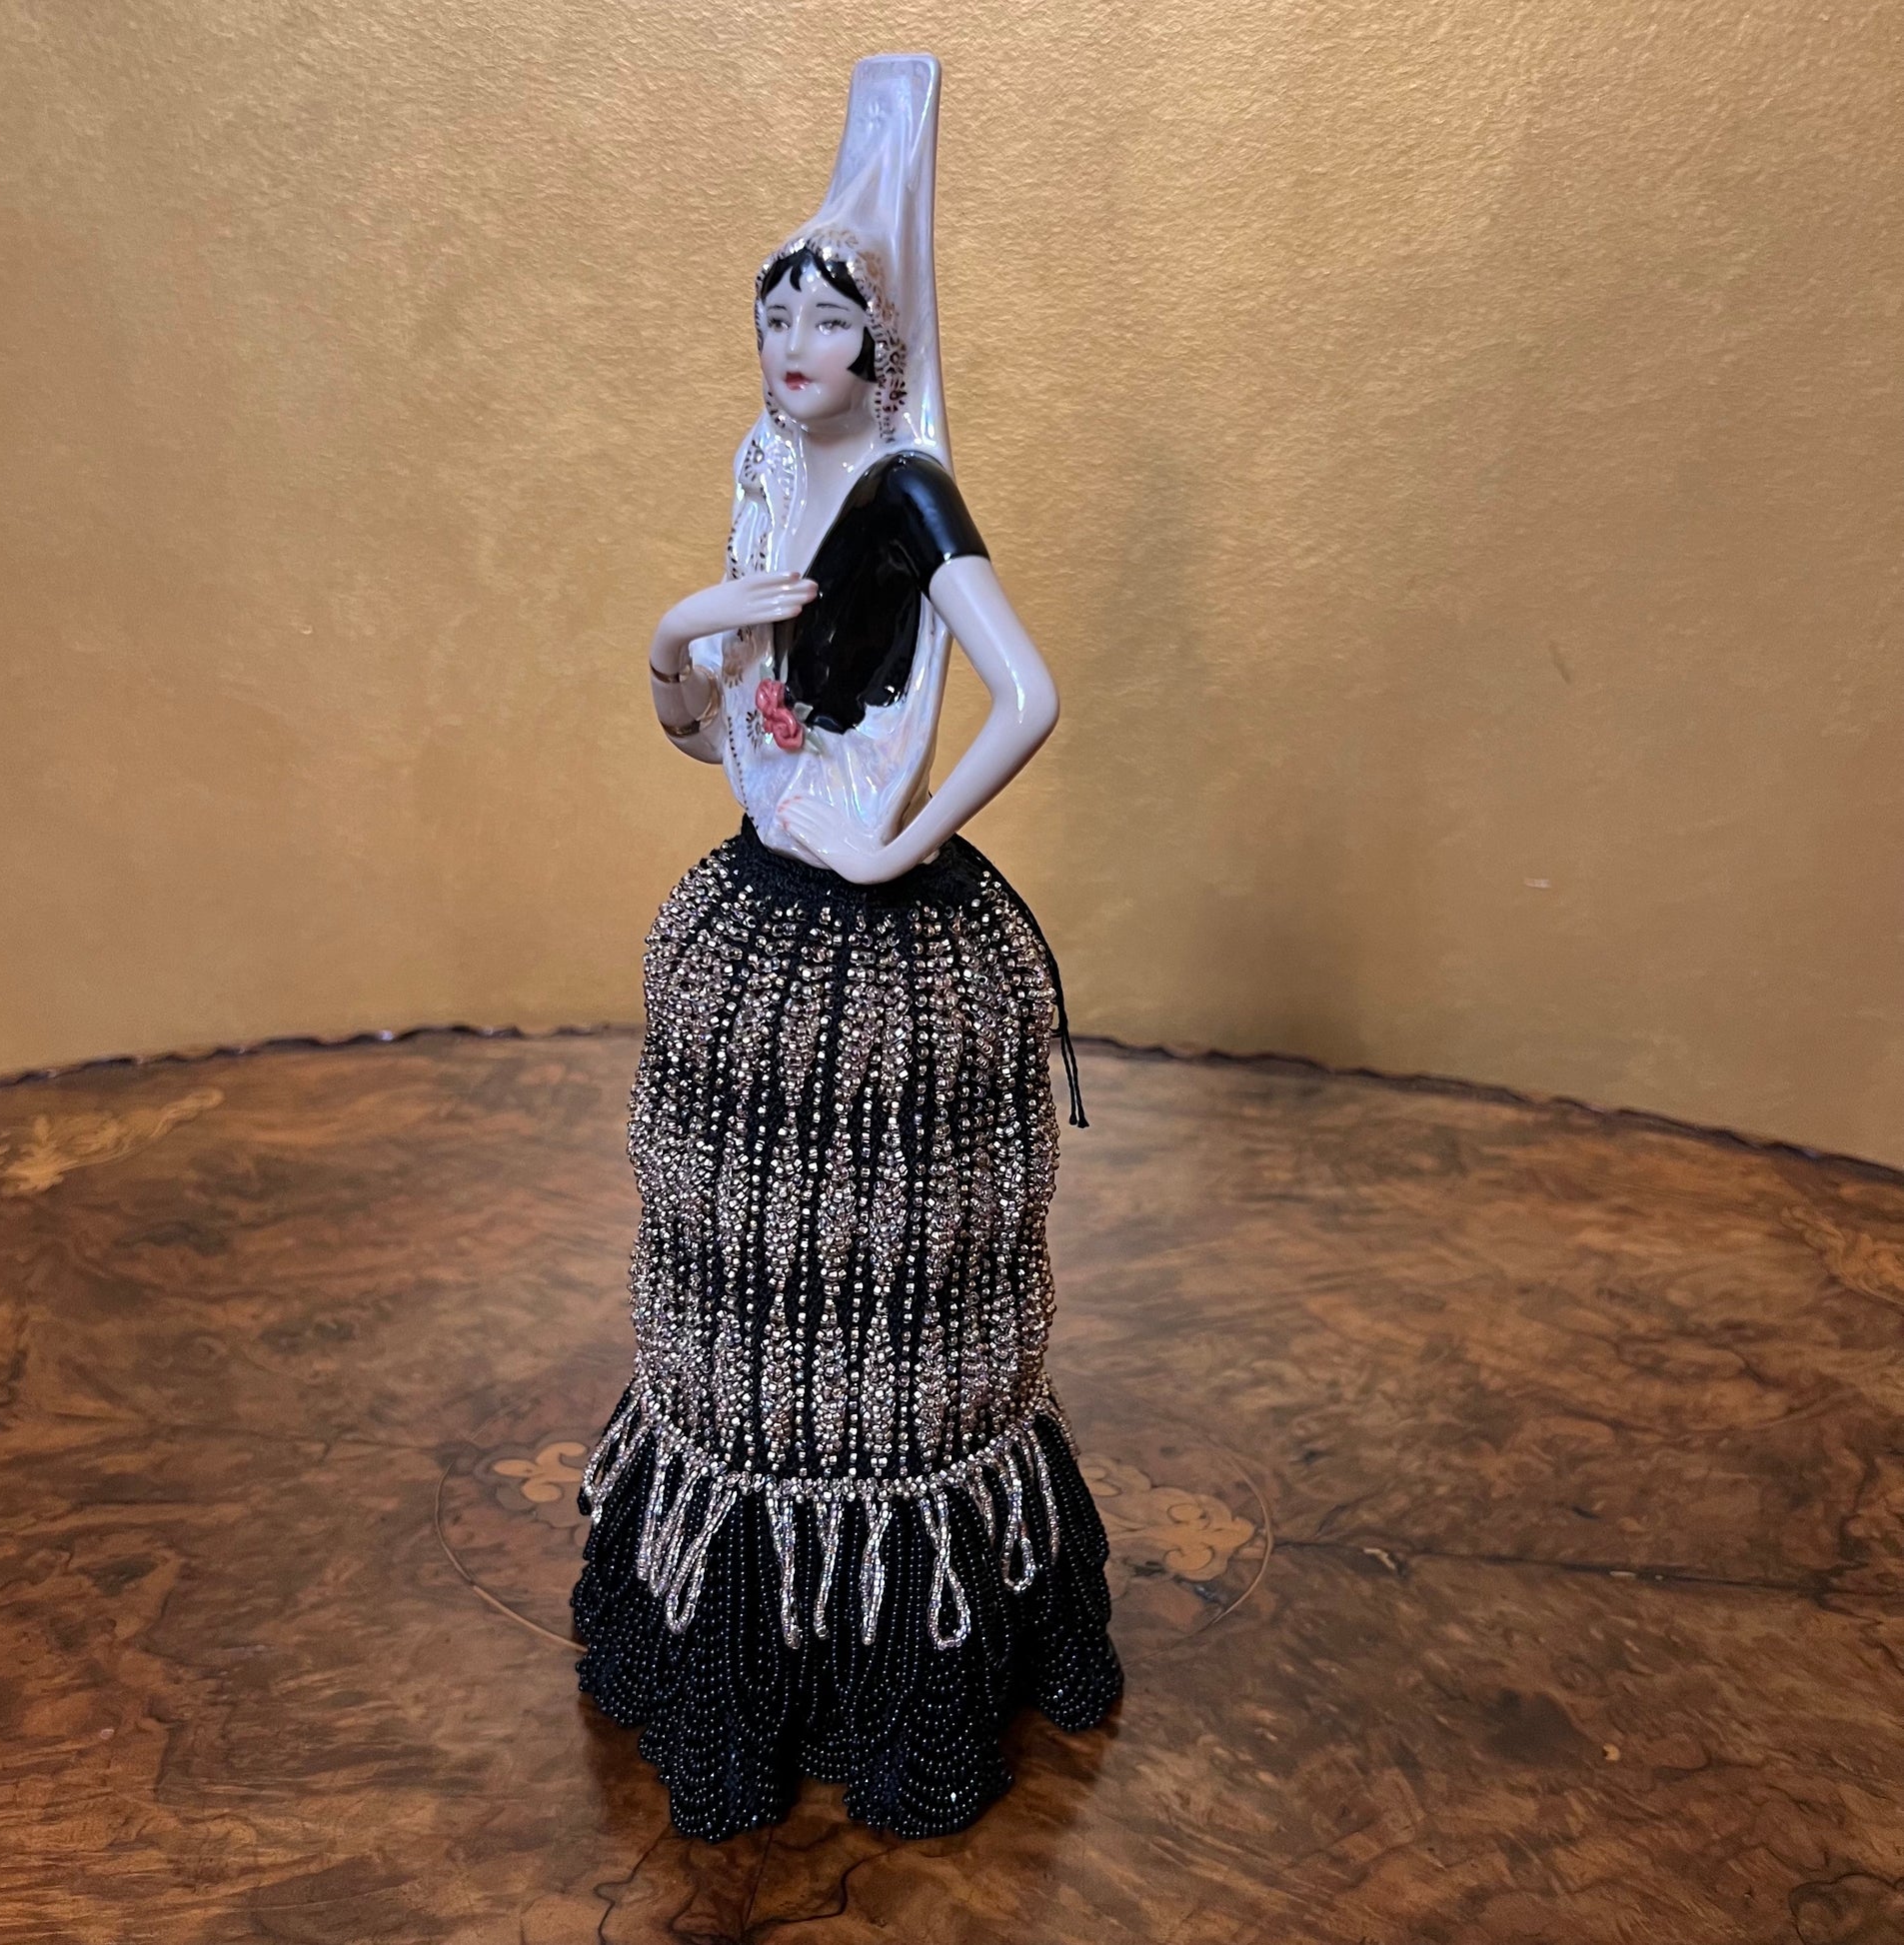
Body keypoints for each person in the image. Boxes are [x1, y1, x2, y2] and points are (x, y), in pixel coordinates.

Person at [571, 53, 1122, 1842]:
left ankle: (910, 1611)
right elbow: (704, 738)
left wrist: (905, 835)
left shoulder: (911, 493)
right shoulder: (758, 477)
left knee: (906, 1267)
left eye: (827, 320)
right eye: (773, 317)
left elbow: (1025, 691)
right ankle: (737, 1585)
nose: (792, 346)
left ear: (886, 349)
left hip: (888, 948)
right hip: (752, 910)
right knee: (727, 1259)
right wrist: (678, 626)